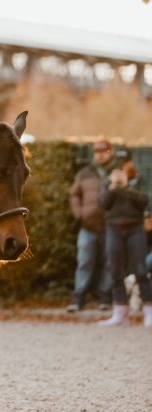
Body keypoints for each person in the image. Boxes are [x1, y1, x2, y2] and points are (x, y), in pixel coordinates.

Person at [98, 158, 152, 328]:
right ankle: (120, 313)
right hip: (113, 229)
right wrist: (113, 187)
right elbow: (103, 203)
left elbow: (143, 201)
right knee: (115, 270)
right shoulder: (108, 183)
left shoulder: (137, 182)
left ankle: (149, 311)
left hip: (135, 229)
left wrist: (126, 187)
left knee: (141, 270)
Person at [66, 139, 115, 312]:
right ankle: (78, 299)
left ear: (111, 152)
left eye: (104, 151)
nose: (100, 155)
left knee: (109, 264)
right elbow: (74, 194)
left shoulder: (116, 171)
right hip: (87, 227)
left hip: (111, 226)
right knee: (84, 263)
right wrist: (79, 214)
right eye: (97, 152)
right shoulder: (84, 173)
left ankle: (105, 298)